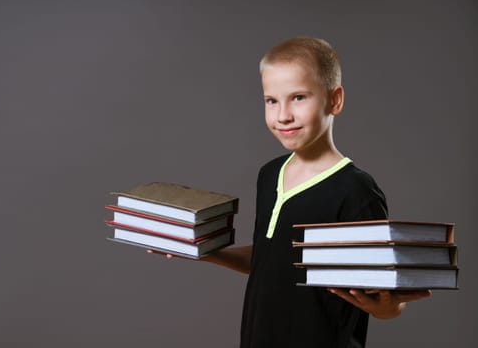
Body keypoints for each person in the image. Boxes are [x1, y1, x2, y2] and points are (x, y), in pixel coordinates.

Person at [150, 36, 430, 347]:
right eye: (271, 100)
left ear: (334, 100)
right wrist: (206, 250)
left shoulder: (357, 191)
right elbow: (274, 258)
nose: (283, 115)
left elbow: (386, 298)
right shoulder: (269, 175)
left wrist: (389, 308)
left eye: (298, 97)